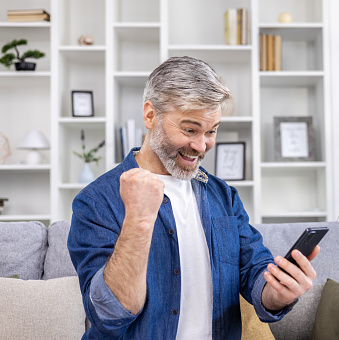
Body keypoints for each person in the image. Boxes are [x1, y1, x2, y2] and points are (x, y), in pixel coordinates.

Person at [67, 56, 320, 339]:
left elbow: (254, 272)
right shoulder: (96, 201)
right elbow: (108, 315)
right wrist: (138, 221)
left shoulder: (222, 195)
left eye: (211, 131)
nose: (201, 146)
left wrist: (279, 292)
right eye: (189, 130)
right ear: (150, 115)